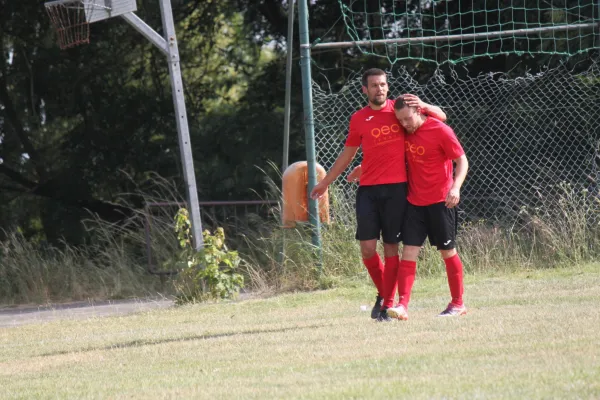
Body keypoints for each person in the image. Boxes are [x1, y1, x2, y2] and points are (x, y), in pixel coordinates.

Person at [309, 68, 447, 322]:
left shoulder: (399, 110)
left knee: (391, 247)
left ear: (387, 87)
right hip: (368, 191)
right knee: (367, 248)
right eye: (374, 85)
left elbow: (441, 116)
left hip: (397, 189)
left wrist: (425, 104)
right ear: (365, 90)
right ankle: (384, 294)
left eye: (382, 84)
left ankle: (388, 303)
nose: (379, 89)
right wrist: (326, 182)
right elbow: (348, 154)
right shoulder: (359, 118)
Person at [382, 97, 469, 320]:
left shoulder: (440, 130)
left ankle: (458, 304)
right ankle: (402, 306)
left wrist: (455, 188)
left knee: (447, 252)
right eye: (400, 120)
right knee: (409, 252)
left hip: (441, 201)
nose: (404, 124)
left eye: (408, 118)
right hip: (415, 203)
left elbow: (462, 161)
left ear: (419, 111)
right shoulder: (404, 132)